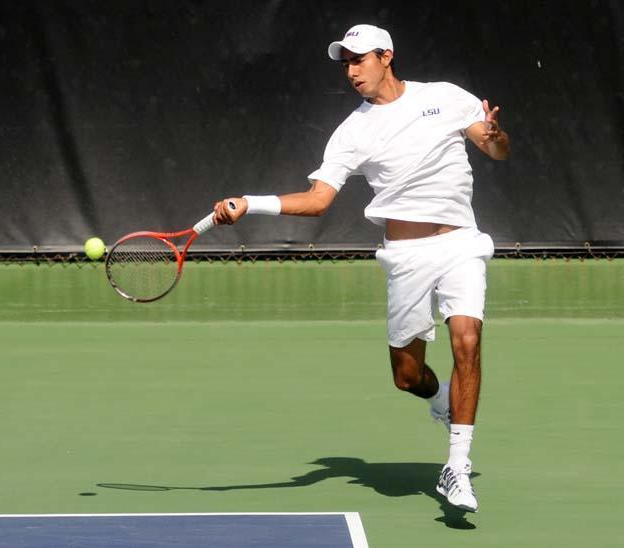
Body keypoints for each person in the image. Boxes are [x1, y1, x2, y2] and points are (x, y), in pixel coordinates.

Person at [213, 24, 510, 513]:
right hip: (405, 257)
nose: (351, 71)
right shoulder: (352, 131)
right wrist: (250, 202)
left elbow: (495, 148)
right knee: (408, 376)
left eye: (359, 60)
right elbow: (317, 200)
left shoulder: (445, 97)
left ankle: (456, 466)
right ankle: (440, 401)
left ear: (386, 56)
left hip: (460, 243)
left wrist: (497, 137)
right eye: (345, 63)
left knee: (468, 340)